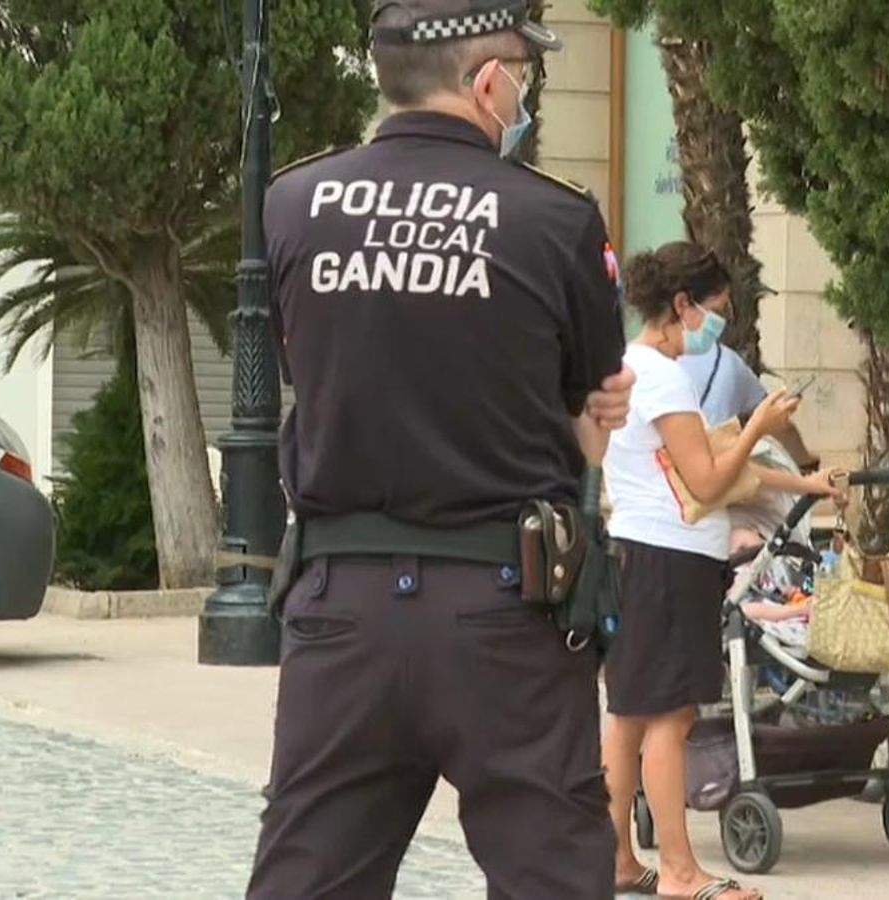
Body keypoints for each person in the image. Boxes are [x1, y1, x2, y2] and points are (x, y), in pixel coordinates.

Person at [247, 2, 633, 897]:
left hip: (340, 610)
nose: (524, 97)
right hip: (506, 608)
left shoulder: (294, 203)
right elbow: (592, 399)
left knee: (310, 878)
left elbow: (304, 363)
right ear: (490, 82)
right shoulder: (554, 217)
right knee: (551, 875)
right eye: (524, 78)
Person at [602, 243, 835, 900]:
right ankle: (679, 871)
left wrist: (801, 479)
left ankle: (617, 859)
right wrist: (761, 419)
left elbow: (701, 465)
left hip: (640, 555)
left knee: (627, 715)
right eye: (717, 311)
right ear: (682, 305)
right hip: (672, 562)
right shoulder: (666, 379)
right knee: (670, 719)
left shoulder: (629, 366)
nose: (719, 326)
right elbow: (708, 476)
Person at [677, 337, 820, 472]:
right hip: (710, 477)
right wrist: (806, 472)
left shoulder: (663, 365)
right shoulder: (726, 362)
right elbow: (779, 427)